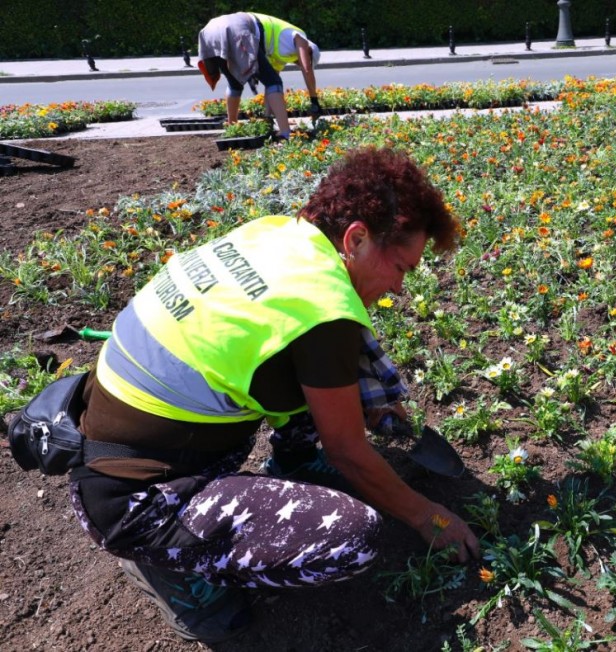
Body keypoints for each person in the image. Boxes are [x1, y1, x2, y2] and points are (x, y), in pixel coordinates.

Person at [69, 146, 480, 643]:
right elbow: (349, 453)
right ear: (356, 238)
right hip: (137, 500)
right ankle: (172, 567)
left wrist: (357, 397)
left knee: (324, 366)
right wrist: (428, 516)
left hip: (103, 436)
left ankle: (293, 463)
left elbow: (276, 344)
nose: (397, 286)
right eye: (400, 267)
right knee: (353, 539)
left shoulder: (278, 236)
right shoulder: (323, 310)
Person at [197, 12, 322, 140]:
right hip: (236, 28)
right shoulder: (300, 37)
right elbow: (307, 70)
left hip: (210, 31)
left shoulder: (279, 56)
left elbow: (270, 88)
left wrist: (267, 118)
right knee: (274, 82)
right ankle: (285, 133)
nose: (297, 62)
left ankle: (232, 129)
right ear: (309, 51)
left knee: (235, 83)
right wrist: (314, 101)